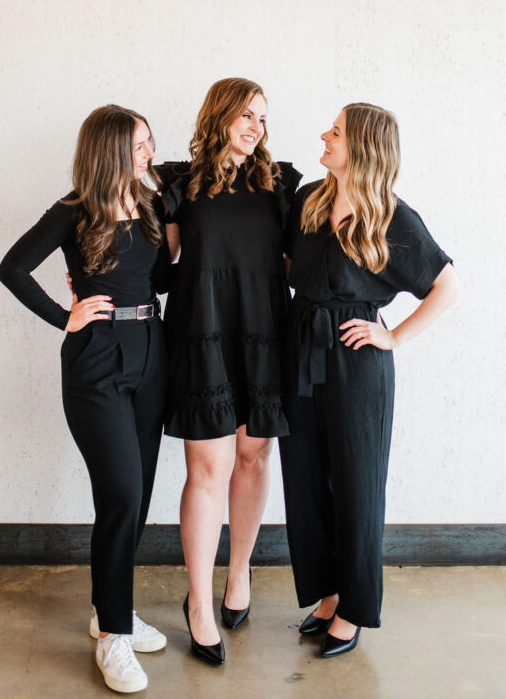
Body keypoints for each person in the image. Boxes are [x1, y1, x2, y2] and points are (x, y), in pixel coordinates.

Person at [0, 105, 171, 694]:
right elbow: (13, 268)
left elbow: (162, 278)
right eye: (139, 145)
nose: (149, 153)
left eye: (150, 143)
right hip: (97, 359)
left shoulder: (151, 204)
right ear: (110, 150)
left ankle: (108, 609)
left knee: (140, 491)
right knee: (120, 493)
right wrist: (65, 317)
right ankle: (113, 637)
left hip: (152, 350)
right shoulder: (73, 210)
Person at [279, 102, 460, 658]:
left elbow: (446, 287)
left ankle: (355, 609)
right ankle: (329, 595)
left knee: (357, 483)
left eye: (335, 132)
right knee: (306, 480)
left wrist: (393, 336)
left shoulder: (393, 217)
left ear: (362, 147)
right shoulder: (310, 198)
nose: (324, 137)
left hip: (358, 360)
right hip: (300, 344)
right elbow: (287, 267)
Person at [155, 77, 301, 666]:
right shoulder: (177, 183)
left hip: (265, 331)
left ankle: (239, 573)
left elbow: (297, 263)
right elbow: (160, 266)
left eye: (263, 119)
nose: (255, 128)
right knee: (207, 467)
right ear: (218, 115)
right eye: (245, 115)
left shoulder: (282, 185)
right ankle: (198, 601)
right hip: (203, 332)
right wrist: (94, 286)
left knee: (253, 456)